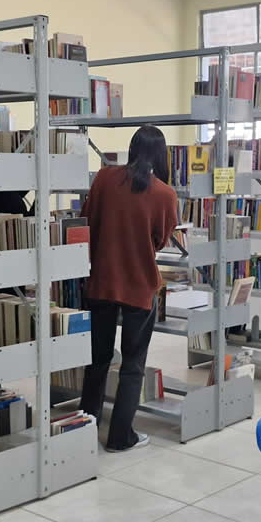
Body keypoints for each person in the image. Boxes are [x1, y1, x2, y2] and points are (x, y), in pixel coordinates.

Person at [79, 125, 178, 452]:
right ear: (162, 155)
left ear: (132, 148)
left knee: (97, 360)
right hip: (139, 285)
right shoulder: (165, 194)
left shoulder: (104, 179)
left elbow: (87, 220)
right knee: (133, 365)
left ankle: (85, 427)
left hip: (101, 281)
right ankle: (121, 437)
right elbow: (161, 240)